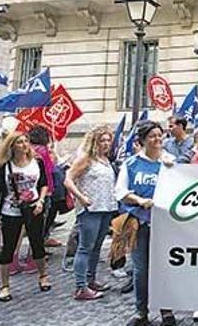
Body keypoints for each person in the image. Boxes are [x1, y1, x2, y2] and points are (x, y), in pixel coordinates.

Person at [115, 121, 176, 326]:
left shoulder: (170, 162)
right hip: (139, 222)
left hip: (165, 224)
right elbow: (121, 192)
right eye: (152, 136)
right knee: (141, 269)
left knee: (164, 268)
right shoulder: (131, 164)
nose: (157, 139)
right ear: (142, 140)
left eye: (160, 135)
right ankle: (141, 311)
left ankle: (167, 310)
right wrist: (140, 201)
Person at [0, 132, 51, 301]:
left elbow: (44, 183)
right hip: (11, 210)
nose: (24, 145)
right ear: (12, 146)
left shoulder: (37, 162)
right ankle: (4, 286)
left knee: (37, 243)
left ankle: (43, 275)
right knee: (8, 247)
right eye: (19, 142)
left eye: (26, 141)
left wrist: (41, 201)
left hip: (33, 209)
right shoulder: (4, 166)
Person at [65, 125, 117, 300]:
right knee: (85, 247)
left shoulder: (105, 159)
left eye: (108, 139)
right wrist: (80, 197)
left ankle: (90, 279)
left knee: (96, 247)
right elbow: (68, 180)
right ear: (94, 141)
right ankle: (80, 286)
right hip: (90, 209)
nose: (106, 143)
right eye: (102, 140)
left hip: (106, 207)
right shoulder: (86, 159)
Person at [28, 126, 62, 251]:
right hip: (45, 189)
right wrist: (54, 158)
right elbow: (49, 169)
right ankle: (37, 250)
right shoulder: (43, 150)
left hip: (31, 189)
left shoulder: (29, 149)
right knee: (42, 221)